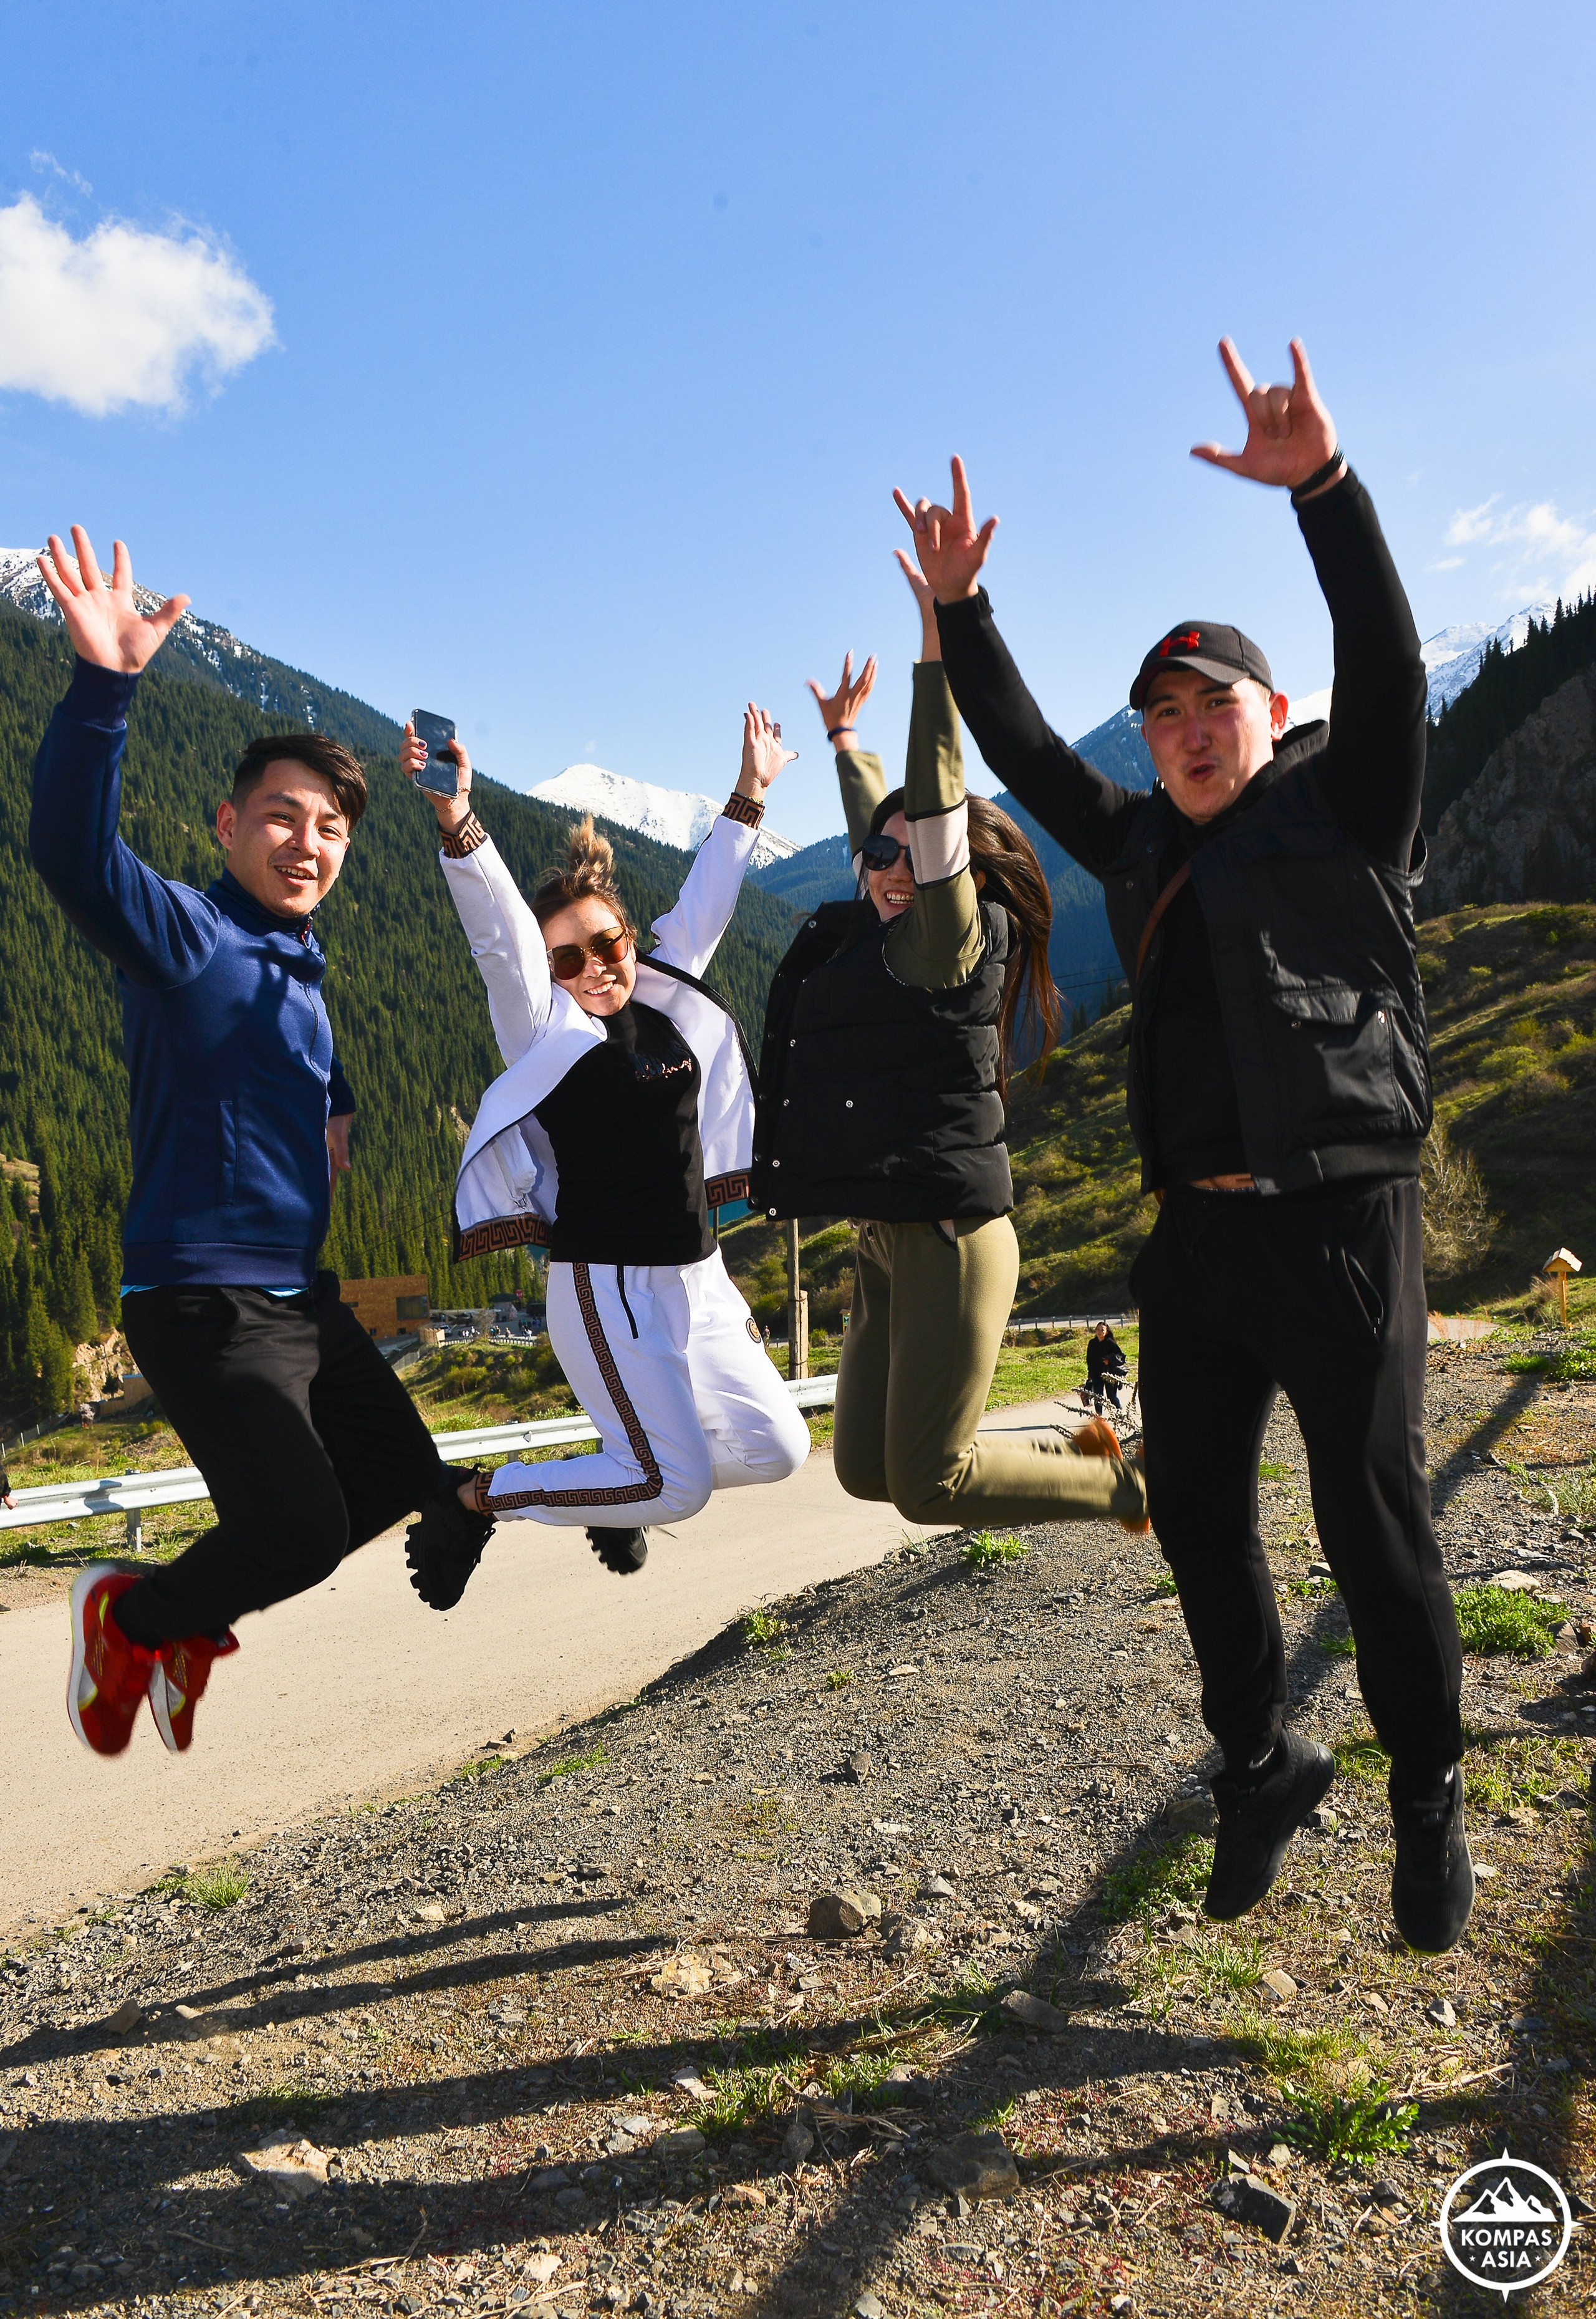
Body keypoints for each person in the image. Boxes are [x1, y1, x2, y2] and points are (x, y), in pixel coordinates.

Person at [895, 339, 1471, 1953]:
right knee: (1200, 1512)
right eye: (1158, 714)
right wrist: (962, 616)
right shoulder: (1142, 844)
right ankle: (1260, 1755)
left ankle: (1427, 1791)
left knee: (1373, 1521)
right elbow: (1022, 753)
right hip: (1200, 1241)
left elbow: (1393, 656)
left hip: (1347, 1215)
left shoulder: (1355, 798)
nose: (1182, 729)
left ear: (1269, 712)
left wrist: (1327, 494)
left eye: (1209, 702)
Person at [30, 526, 454, 1759]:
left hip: (297, 1300)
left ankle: (187, 1619)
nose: (306, 841)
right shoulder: (186, 933)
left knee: (396, 1477)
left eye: (328, 826)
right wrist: (105, 688)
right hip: (202, 1295)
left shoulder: (301, 965)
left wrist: (338, 1107)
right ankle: (138, 1613)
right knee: (303, 1530)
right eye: (280, 816)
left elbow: (312, 1063)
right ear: (226, 825)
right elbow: (71, 855)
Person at [751, 558, 1148, 1536]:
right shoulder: (893, 925)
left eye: (907, 859)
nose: (884, 870)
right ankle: (1092, 1452)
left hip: (952, 1237)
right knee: (864, 1470)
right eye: (873, 858)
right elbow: (885, 824)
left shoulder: (948, 942)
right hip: (888, 1235)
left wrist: (938, 647)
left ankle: (1133, 1484)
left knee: (932, 1484)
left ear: (951, 868)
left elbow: (928, 808)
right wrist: (846, 740)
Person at [398, 706, 810, 1603]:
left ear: (629, 934)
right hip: (604, 1283)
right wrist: (456, 819)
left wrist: (752, 790)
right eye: (569, 956)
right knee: (676, 1484)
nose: (595, 964)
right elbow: (500, 936)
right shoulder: (543, 1029)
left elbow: (705, 900)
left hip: (696, 1279)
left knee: (778, 1448)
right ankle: (473, 1495)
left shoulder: (662, 996)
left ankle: (620, 1491)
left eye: (608, 942)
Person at [1085, 1322, 1128, 1415]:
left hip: (1110, 1373)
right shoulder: (1092, 1343)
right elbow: (1089, 1359)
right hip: (1097, 1374)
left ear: (1107, 1332)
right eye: (1098, 1329)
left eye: (1102, 1330)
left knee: (1112, 1397)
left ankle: (1119, 1412)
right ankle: (1100, 1417)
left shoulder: (1110, 1343)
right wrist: (1090, 1374)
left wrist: (1110, 1361)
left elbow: (1120, 1356)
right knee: (1098, 1397)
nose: (1100, 1332)